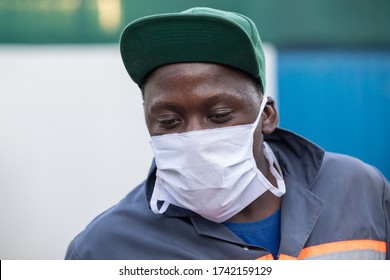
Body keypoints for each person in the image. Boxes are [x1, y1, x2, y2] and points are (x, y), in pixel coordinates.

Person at [65, 7, 390, 260]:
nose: (196, 138)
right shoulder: (103, 250)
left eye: (219, 116)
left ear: (266, 116)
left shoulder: (361, 191)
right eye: (169, 121)